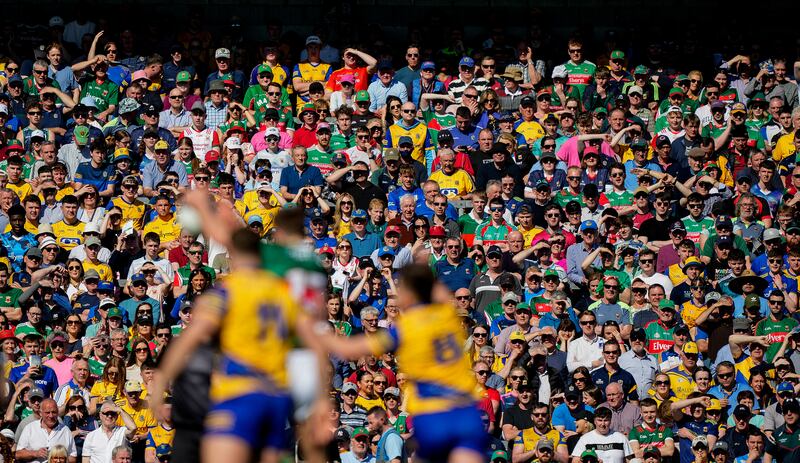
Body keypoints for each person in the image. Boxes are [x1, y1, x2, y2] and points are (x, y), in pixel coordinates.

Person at [318, 264, 487, 463]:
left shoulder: (407, 327)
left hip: (434, 410)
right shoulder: (448, 315)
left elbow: (350, 350)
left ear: (409, 292)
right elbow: (437, 292)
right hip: (465, 408)